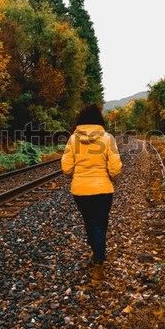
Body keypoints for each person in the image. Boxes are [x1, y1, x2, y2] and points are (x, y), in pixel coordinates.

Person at [61, 103, 122, 285]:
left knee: (89, 222)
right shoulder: (107, 138)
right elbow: (115, 167)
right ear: (99, 121)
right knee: (100, 224)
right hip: (103, 190)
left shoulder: (73, 139)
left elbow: (66, 167)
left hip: (80, 191)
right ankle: (98, 264)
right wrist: (110, 177)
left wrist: (76, 175)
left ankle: (96, 251)